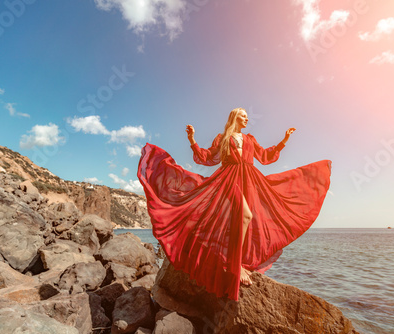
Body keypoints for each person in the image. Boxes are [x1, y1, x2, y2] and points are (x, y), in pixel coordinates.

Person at [137, 107, 331, 301]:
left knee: (246, 218)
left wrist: (284, 141)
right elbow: (206, 157)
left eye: (247, 117)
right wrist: (192, 139)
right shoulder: (222, 138)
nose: (246, 119)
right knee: (244, 215)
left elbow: (264, 156)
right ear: (234, 118)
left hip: (250, 179)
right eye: (243, 116)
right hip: (228, 179)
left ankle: (239, 261)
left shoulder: (250, 139)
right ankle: (235, 264)